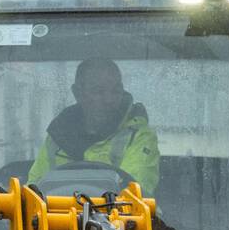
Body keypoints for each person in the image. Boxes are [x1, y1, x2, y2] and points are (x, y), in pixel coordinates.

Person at [28, 58, 160, 193]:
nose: (109, 100)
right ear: (77, 93)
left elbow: (133, 196)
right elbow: (33, 191)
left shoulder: (139, 136)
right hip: (54, 214)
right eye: (98, 91)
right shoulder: (58, 136)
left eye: (116, 91)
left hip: (121, 213)